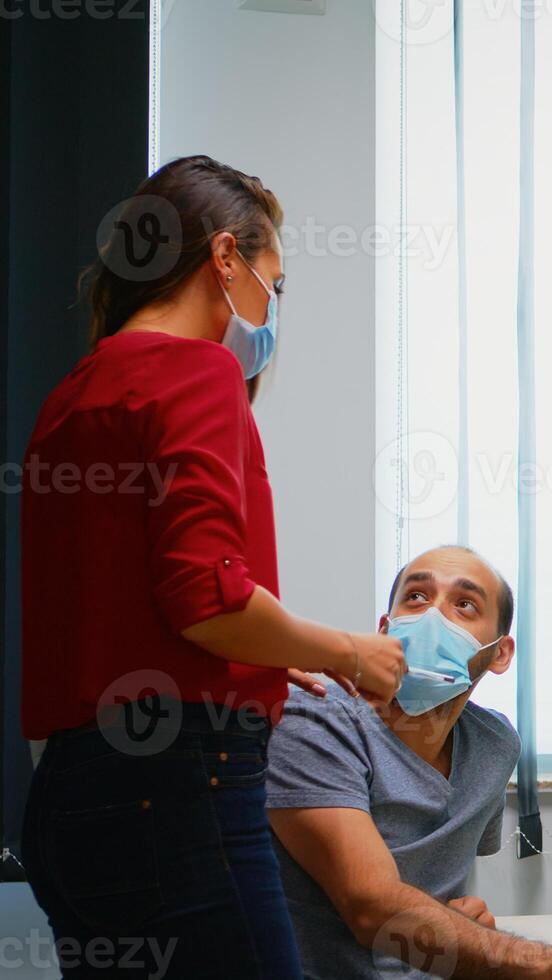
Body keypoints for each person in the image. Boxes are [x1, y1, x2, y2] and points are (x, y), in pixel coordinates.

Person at [19, 154, 406, 979]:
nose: (272, 309)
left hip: (71, 801)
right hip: (181, 792)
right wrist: (347, 651)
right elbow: (203, 597)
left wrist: (260, 656)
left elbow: (127, 610)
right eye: (276, 280)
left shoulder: (74, 396)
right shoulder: (197, 370)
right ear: (224, 258)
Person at [265, 545, 552, 979]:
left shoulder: (496, 745)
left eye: (465, 604)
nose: (431, 617)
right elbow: (372, 908)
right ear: (385, 629)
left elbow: (442, 882)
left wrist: (461, 921)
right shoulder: (315, 722)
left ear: (500, 653)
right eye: (416, 597)